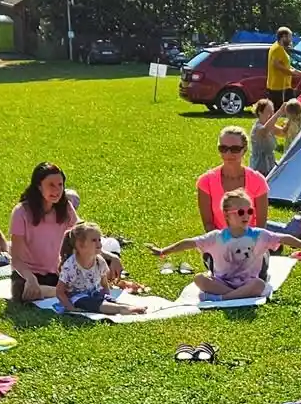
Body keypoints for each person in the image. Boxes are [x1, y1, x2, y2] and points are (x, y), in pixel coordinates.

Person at [148, 193, 287, 301]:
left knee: (259, 284)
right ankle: (237, 295)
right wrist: (164, 251)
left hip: (249, 280)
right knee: (199, 279)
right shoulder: (217, 237)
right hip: (224, 282)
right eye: (240, 212)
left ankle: (223, 298)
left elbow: (285, 238)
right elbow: (189, 242)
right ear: (227, 215)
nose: (246, 216)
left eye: (249, 211)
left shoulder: (257, 234)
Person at [10, 163, 83, 303]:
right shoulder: (21, 212)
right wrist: (30, 279)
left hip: (56, 273)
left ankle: (61, 292)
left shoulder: (65, 207)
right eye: (51, 185)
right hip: (26, 274)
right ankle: (63, 292)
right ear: (38, 186)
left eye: (60, 185)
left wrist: (110, 257)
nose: (57, 190)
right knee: (23, 291)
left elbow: (83, 234)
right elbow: (16, 258)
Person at [57, 224, 152, 316]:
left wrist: (107, 295)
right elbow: (60, 291)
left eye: (99, 240)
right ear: (80, 245)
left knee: (110, 301)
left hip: (96, 294)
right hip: (78, 298)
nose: (99, 244)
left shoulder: (99, 261)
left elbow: (104, 282)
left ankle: (127, 307)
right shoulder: (70, 266)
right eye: (94, 240)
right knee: (92, 303)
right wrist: (70, 307)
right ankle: (122, 309)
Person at [195, 129, 271, 231]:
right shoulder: (205, 181)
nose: (228, 153)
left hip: (251, 242)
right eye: (223, 148)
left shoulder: (258, 181)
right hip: (218, 242)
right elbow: (208, 225)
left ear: (244, 150)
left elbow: (260, 226)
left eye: (235, 149)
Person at [265, 26, 296, 105]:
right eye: (290, 37)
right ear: (284, 37)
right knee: (285, 109)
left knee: (292, 107)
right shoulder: (277, 49)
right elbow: (276, 65)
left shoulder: (280, 48)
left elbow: (286, 65)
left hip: (284, 86)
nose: (291, 39)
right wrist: (291, 73)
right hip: (278, 87)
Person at [249, 99, 279, 175]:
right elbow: (265, 130)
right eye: (268, 111)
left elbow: (283, 132)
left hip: (270, 165)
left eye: (272, 111)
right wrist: (280, 112)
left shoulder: (270, 126)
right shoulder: (257, 128)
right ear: (260, 112)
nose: (271, 114)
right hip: (259, 168)